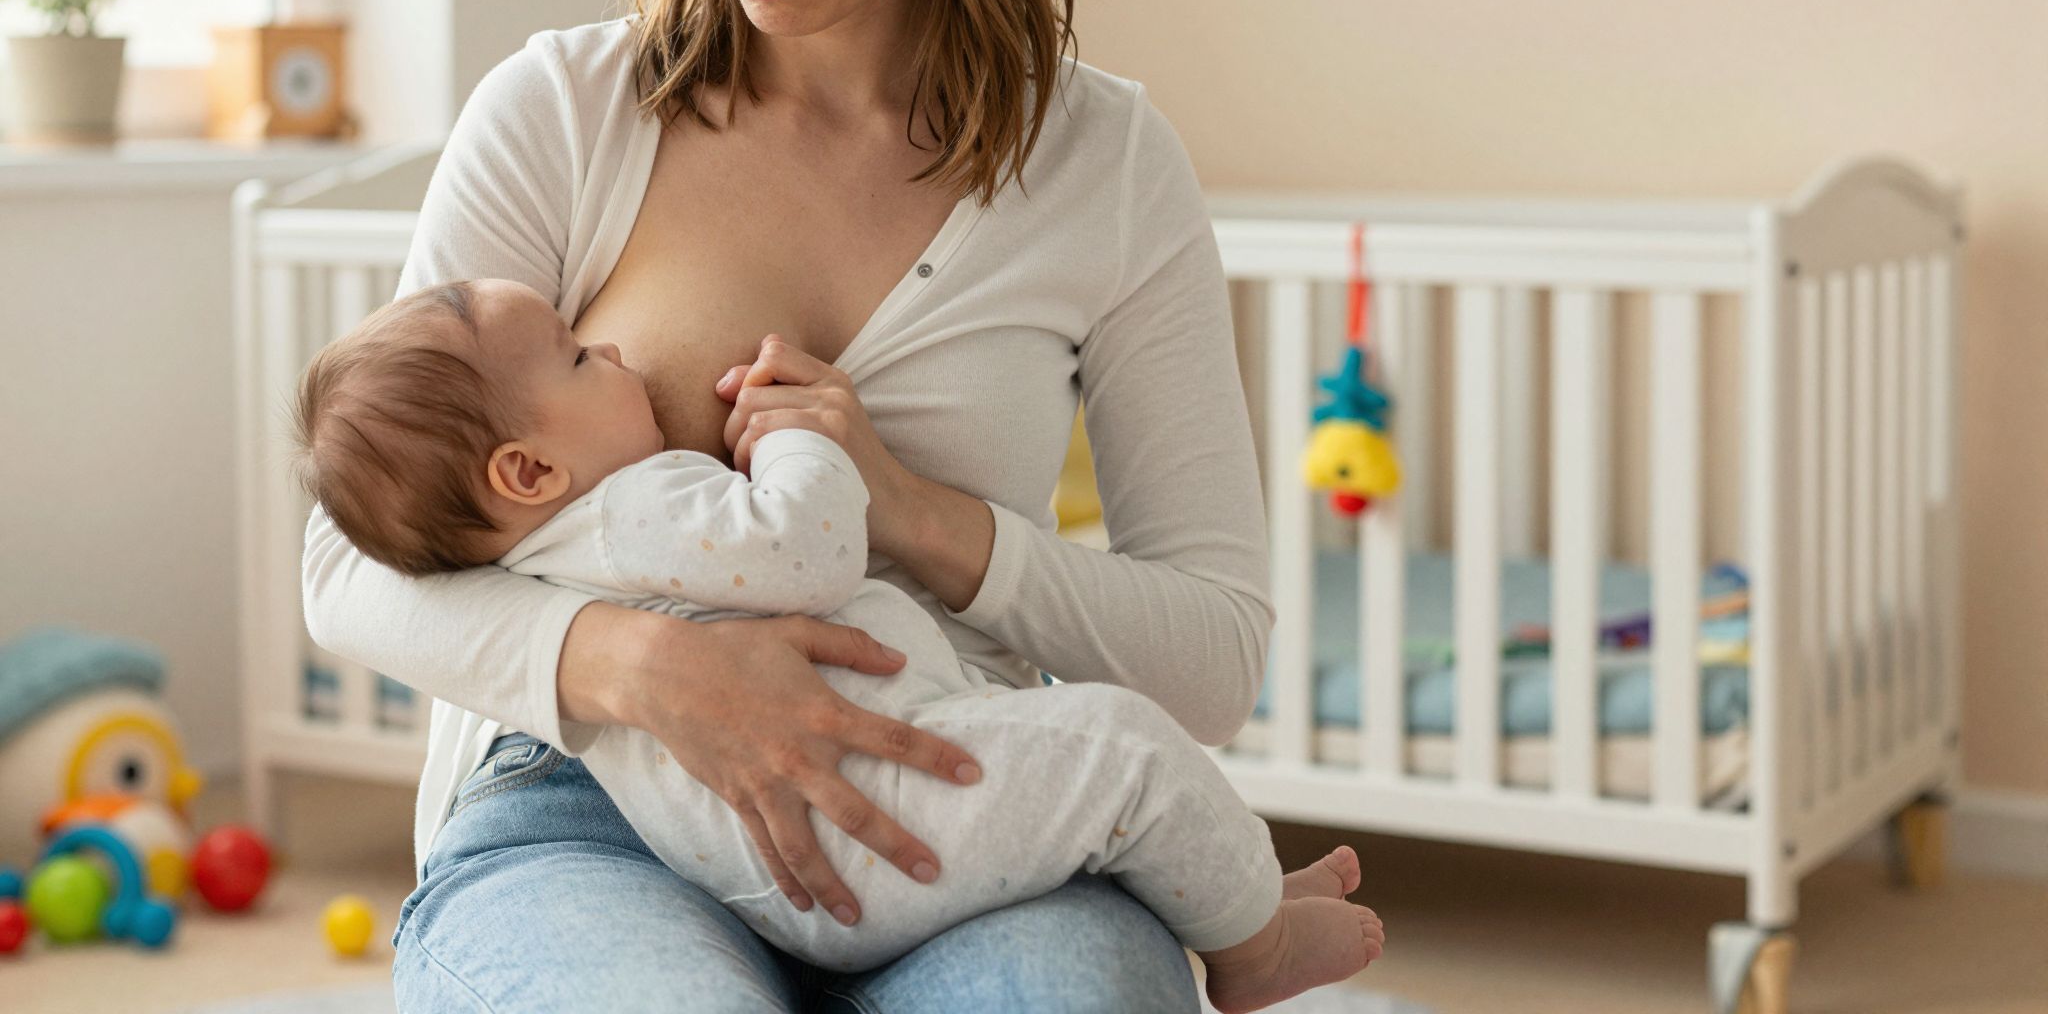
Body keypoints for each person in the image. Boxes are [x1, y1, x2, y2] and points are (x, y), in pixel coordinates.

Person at [302, 0, 1316, 1011]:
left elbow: (1213, 662)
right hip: (598, 801)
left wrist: (916, 516)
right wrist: (643, 667)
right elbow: (346, 569)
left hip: (954, 789)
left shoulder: (1107, 165)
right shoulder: (566, 112)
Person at [294, 277, 1386, 1009]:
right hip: (845, 813)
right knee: (1121, 751)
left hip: (826, 810)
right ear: (527, 471)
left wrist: (916, 506)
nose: (612, 347)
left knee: (1090, 904)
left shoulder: (561, 532)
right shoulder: (638, 505)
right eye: (582, 358)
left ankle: (1231, 889)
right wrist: (802, 442)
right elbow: (806, 552)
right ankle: (1251, 950)